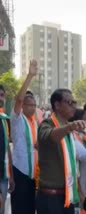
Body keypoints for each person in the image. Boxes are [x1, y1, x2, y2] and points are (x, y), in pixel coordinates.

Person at [36, 89, 86, 214]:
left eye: (74, 102)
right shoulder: (47, 124)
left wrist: (78, 190)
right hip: (51, 198)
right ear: (57, 105)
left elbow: (72, 163)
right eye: (69, 102)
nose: (74, 106)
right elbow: (51, 135)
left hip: (67, 195)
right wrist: (70, 127)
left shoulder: (68, 128)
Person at [10, 60, 38, 214]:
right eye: (29, 105)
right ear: (22, 106)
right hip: (20, 171)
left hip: (32, 174)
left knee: (30, 209)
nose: (32, 107)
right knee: (20, 209)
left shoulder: (34, 122)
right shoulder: (17, 119)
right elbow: (19, 99)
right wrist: (30, 76)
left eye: (34, 105)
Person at [0, 85, 14, 214]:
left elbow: (7, 148)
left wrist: (11, 175)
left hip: (3, 176)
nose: (0, 98)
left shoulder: (4, 120)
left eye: (2, 95)